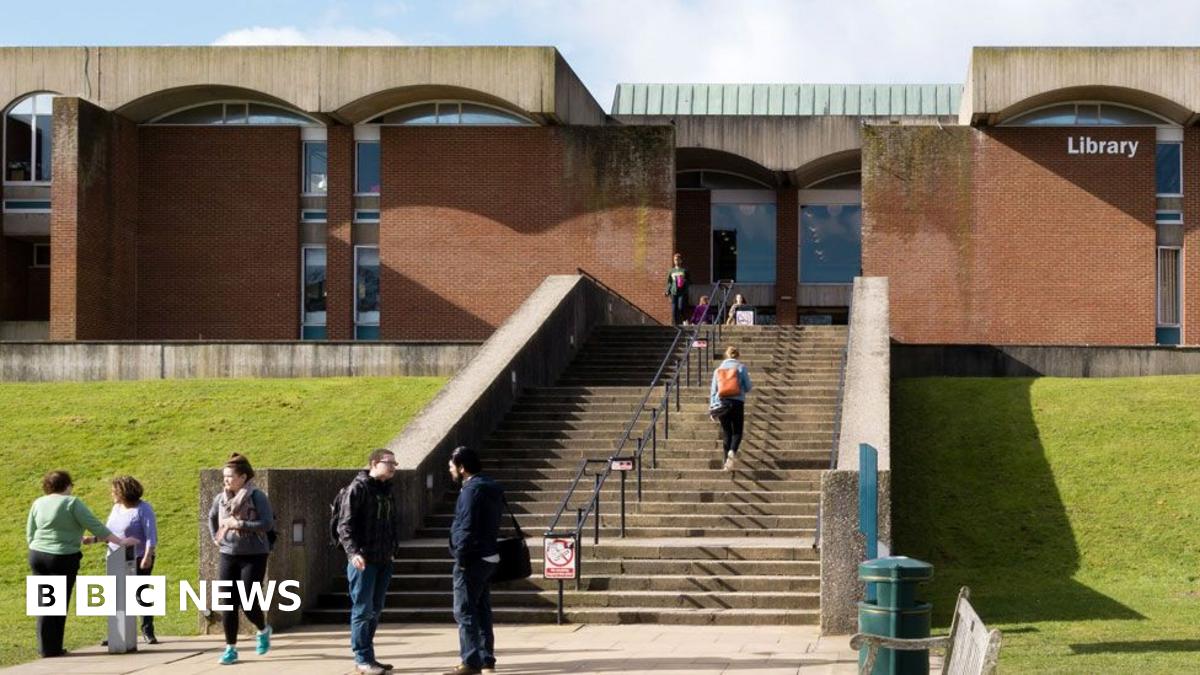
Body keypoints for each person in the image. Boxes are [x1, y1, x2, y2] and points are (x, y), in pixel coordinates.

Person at [27, 470, 138, 658]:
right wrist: (120, 542)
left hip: (37, 554)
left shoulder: (38, 503)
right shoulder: (72, 503)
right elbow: (94, 525)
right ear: (67, 485)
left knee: (45, 602)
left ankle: (45, 648)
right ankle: (54, 648)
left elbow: (31, 531)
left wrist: (36, 548)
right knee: (59, 602)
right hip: (62, 556)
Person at [336, 448, 402, 675]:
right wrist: (353, 553)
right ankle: (362, 659)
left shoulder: (387, 490)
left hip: (384, 557)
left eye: (395, 463)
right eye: (389, 462)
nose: (393, 467)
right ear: (374, 463)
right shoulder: (358, 488)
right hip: (363, 560)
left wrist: (394, 549)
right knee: (363, 610)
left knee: (375, 609)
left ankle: (369, 657)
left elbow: (392, 522)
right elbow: (344, 525)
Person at [207, 453, 274, 666]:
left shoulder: (257, 496)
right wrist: (215, 538)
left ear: (243, 477)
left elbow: (266, 524)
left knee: (248, 601)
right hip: (228, 554)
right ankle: (231, 649)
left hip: (254, 554)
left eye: (230, 476)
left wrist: (240, 525)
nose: (226, 480)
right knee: (227, 603)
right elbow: (211, 517)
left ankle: (263, 629)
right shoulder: (221, 498)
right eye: (224, 476)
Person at [443, 446, 504, 675]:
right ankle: (486, 659)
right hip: (489, 555)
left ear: (462, 467)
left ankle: (470, 661)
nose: (450, 471)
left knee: (465, 611)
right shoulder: (490, 487)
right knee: (482, 608)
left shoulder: (471, 490)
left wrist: (461, 556)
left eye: (451, 467)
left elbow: (466, 526)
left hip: (472, 557)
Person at [85, 476, 159, 644]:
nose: (112, 494)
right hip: (116, 558)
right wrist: (93, 539)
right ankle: (116, 633)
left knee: (140, 594)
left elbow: (151, 535)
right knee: (117, 595)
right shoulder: (116, 508)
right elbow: (110, 532)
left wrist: (148, 555)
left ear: (123, 492)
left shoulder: (143, 508)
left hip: (139, 556)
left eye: (114, 491)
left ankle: (147, 629)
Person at [710, 346, 753, 471]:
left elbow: (714, 391)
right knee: (738, 431)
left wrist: (712, 408)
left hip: (722, 403)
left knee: (727, 432)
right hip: (738, 403)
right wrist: (741, 388)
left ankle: (725, 463)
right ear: (737, 355)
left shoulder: (718, 370)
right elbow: (748, 387)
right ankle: (732, 451)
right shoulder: (741, 368)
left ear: (726, 355)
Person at [665, 253, 690, 325]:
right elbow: (669, 282)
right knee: (674, 309)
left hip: (681, 291)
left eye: (678, 260)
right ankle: (675, 324)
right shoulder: (671, 271)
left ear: (681, 261)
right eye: (675, 260)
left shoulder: (684, 270)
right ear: (673, 261)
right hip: (673, 291)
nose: (677, 261)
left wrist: (684, 281)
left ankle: (685, 319)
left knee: (680, 307)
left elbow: (689, 281)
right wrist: (667, 291)